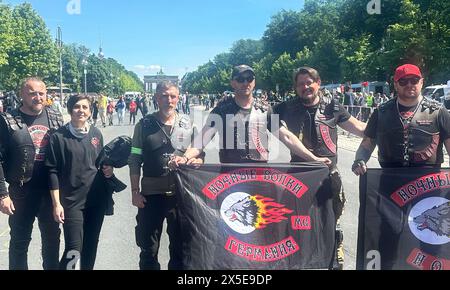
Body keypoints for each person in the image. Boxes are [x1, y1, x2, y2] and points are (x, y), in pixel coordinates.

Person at [352, 64, 450, 269]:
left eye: (414, 80)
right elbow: (367, 143)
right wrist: (359, 159)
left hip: (428, 185)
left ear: (422, 82)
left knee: (430, 238)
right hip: (390, 185)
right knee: (388, 234)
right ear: (395, 84)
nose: (409, 85)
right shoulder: (382, 112)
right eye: (403, 81)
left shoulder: (439, 111)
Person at [272, 66, 366, 270]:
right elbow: (277, 131)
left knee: (332, 219)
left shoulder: (333, 106)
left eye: (309, 82)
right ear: (295, 87)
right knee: (298, 221)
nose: (305, 87)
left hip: (328, 177)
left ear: (318, 83)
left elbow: (360, 128)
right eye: (300, 84)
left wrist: (385, 126)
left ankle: (334, 256)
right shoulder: (285, 107)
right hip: (298, 177)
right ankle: (298, 260)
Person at [170, 64, 331, 167]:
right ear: (233, 83)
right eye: (240, 79)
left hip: (259, 177)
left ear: (254, 82)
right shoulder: (221, 110)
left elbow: (287, 137)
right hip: (229, 178)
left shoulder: (265, 109)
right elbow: (201, 141)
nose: (245, 82)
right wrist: (184, 157)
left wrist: (313, 158)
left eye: (249, 78)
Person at [128, 81, 202, 270]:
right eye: (163, 95)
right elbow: (135, 158)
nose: (168, 100)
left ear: (178, 98)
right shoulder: (144, 125)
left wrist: (196, 161)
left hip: (181, 195)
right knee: (148, 249)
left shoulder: (188, 124)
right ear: (156, 97)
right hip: (151, 196)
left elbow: (200, 153)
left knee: (180, 249)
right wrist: (135, 191)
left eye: (173, 96)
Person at [0, 77, 63, 270]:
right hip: (21, 191)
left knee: (52, 241)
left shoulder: (55, 116)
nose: (38, 97)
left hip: (50, 190)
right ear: (22, 95)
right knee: (19, 243)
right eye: (32, 93)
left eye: (41, 93)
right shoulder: (7, 120)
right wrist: (3, 194)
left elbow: (66, 152)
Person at [45, 95, 114, 270]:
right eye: (77, 107)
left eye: (85, 107)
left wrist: (108, 169)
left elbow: (99, 163)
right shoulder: (58, 137)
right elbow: (52, 171)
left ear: (90, 111)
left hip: (95, 200)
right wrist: (56, 204)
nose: (81, 110)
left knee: (90, 246)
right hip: (71, 202)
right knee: (74, 248)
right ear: (69, 110)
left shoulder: (95, 134)